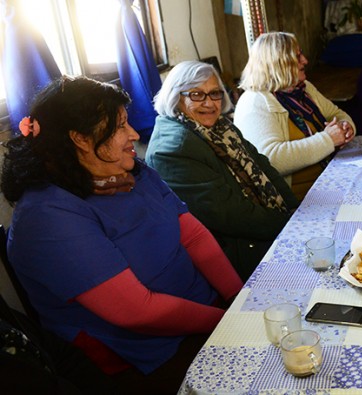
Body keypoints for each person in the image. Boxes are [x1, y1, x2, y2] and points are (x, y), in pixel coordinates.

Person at [0, 76, 243, 393]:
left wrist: (238, 299)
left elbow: (193, 236)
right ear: (80, 139)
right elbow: (138, 312)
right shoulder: (47, 216)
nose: (134, 134)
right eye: (120, 126)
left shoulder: (129, 172)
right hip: (148, 354)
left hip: (206, 311)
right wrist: (226, 321)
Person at [147, 61, 300, 280]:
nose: (209, 103)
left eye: (215, 93)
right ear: (176, 97)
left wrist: (295, 210)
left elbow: (262, 166)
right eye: (197, 95)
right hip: (233, 252)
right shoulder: (174, 148)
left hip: (260, 228)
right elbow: (230, 215)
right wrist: (290, 223)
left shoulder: (221, 127)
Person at [235, 32, 356, 199]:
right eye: (297, 56)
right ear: (278, 63)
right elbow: (270, 159)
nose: (305, 60)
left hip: (330, 181)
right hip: (298, 200)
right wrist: (328, 140)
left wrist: (345, 127)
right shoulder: (255, 102)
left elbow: (336, 113)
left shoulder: (303, 89)